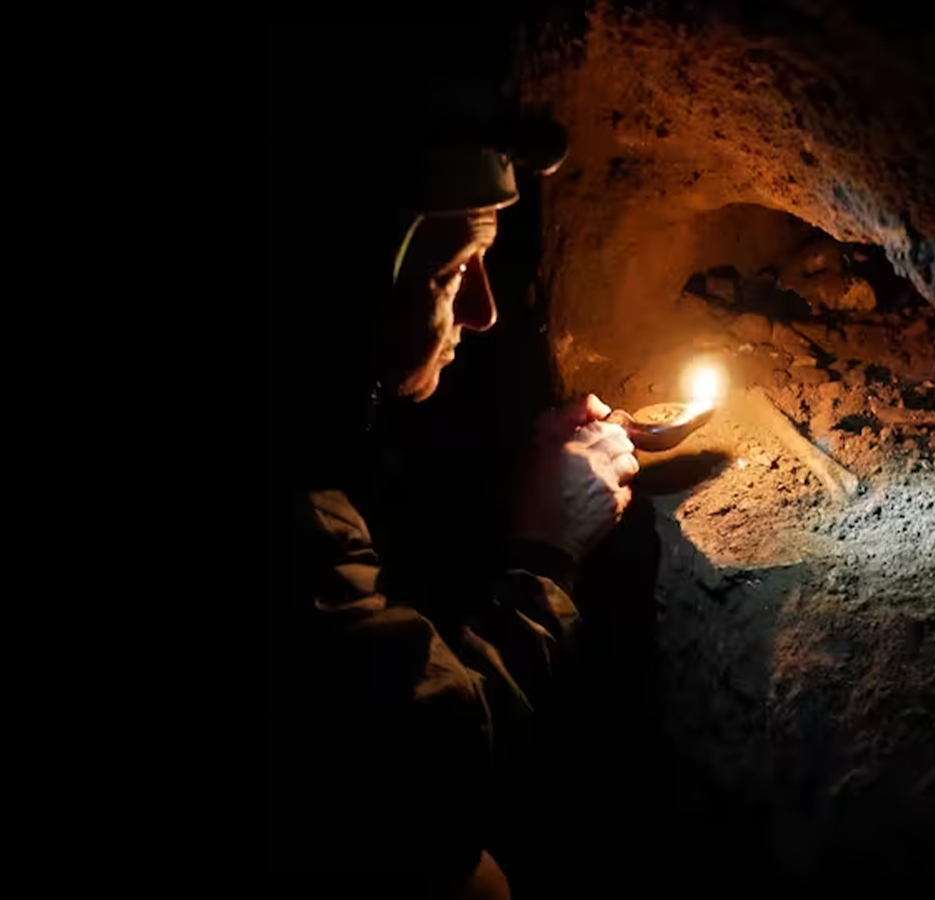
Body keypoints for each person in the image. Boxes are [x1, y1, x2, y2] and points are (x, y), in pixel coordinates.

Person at [265, 70, 639, 898]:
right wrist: (545, 559)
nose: (484, 313)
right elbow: (422, 764)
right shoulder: (291, 508)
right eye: (451, 274)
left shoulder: (315, 429)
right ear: (346, 291)